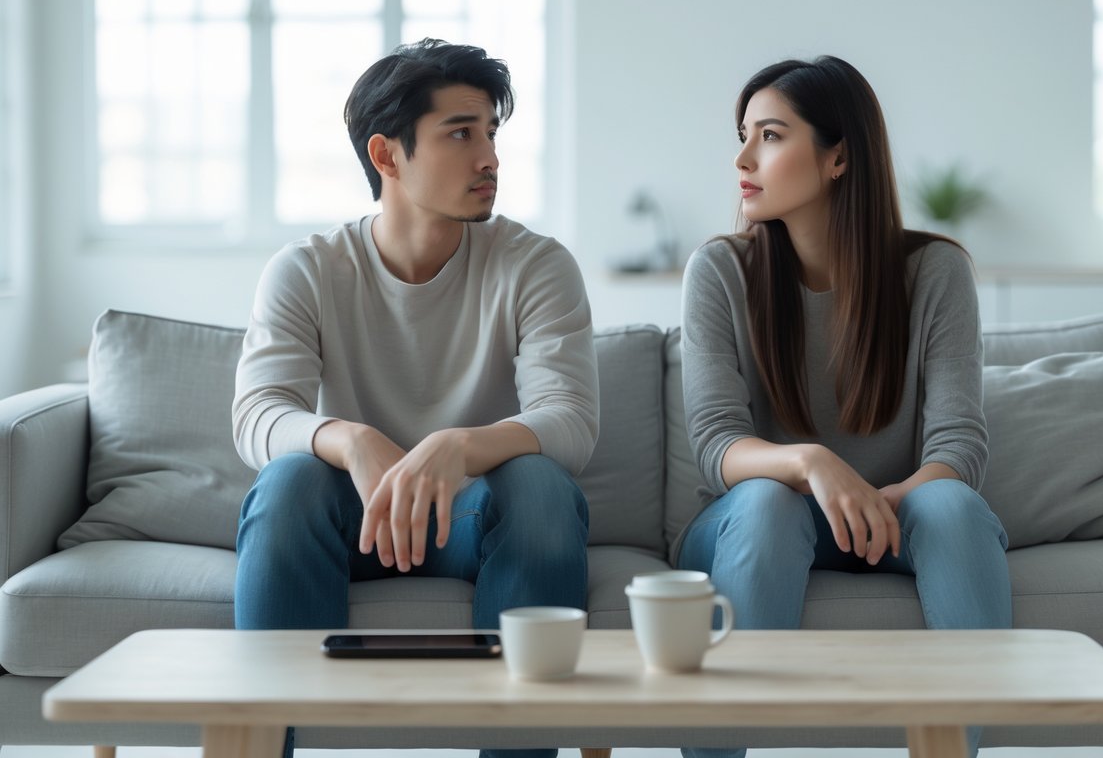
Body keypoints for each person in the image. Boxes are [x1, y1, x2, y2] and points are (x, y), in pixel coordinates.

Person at [232, 38, 599, 758]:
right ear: (387, 155)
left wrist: (458, 445)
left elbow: (571, 420)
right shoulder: (306, 269)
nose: (489, 157)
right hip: (354, 515)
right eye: (460, 133)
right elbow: (258, 414)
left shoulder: (536, 265)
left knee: (539, 484)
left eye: (491, 132)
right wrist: (354, 441)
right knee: (288, 481)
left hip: (474, 515)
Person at [677, 56, 1011, 758]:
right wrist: (811, 463)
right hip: (750, 517)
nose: (742, 157)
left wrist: (878, 504)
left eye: (769, 136)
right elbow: (715, 443)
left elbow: (956, 448)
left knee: (952, 507)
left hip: (893, 513)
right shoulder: (718, 270)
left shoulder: (934, 271)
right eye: (742, 135)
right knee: (769, 500)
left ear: (837, 158)